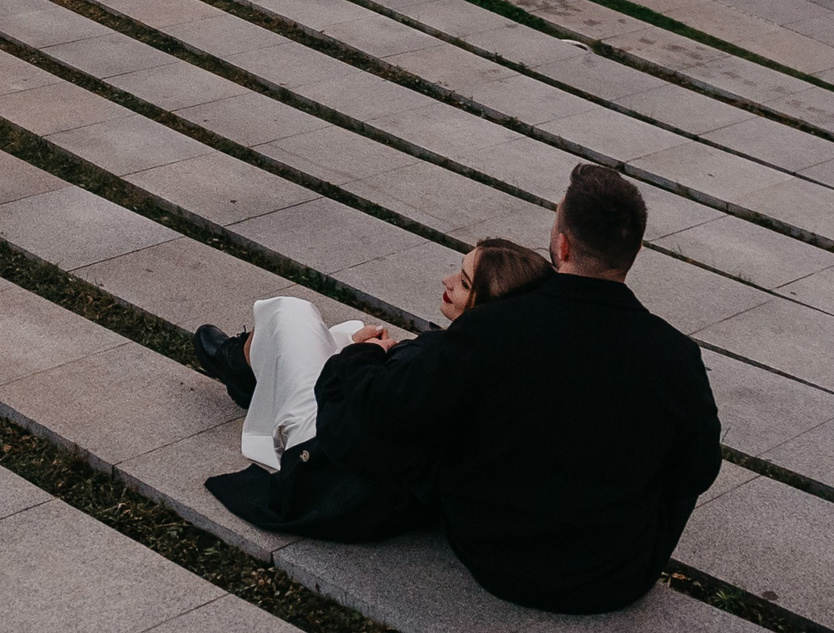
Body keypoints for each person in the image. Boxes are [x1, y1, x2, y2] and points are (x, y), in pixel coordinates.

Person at [322, 165, 721, 613]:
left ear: (562, 244)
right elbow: (697, 471)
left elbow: (390, 410)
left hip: (498, 555)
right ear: (635, 249)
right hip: (619, 575)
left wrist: (361, 357)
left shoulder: (493, 328)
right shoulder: (676, 355)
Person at [196, 238, 551, 541]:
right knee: (346, 330)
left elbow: (345, 428)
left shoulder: (440, 364)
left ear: (485, 305)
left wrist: (361, 358)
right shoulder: (506, 363)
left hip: (323, 452)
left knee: (292, 314)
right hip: (383, 467)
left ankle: (240, 365)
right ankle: (257, 375)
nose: (447, 279)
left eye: (463, 282)